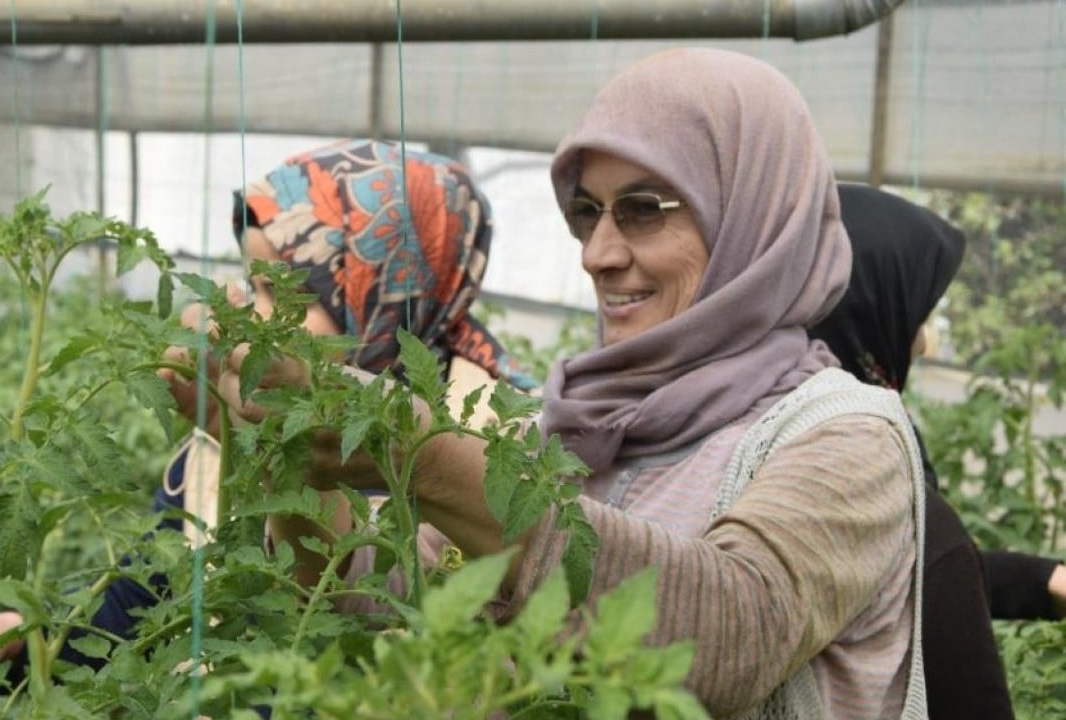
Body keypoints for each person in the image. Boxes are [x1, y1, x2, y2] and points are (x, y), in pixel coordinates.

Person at [216, 49, 928, 718]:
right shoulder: (566, 425)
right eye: (586, 212)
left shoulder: (847, 436)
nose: (597, 254)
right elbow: (378, 594)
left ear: (754, 213)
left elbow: (730, 631)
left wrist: (422, 456)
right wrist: (279, 446)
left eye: (643, 208)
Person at [0, 138, 536, 676]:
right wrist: (36, 641)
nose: (250, 313)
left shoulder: (487, 455)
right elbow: (140, 599)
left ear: (386, 289)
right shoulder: (227, 437)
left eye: (280, 292)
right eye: (250, 285)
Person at [813, 182, 1066, 718]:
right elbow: (927, 582)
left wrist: (1043, 580)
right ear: (866, 300)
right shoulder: (855, 448)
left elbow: (905, 572)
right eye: (914, 315)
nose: (924, 343)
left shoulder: (809, 414)